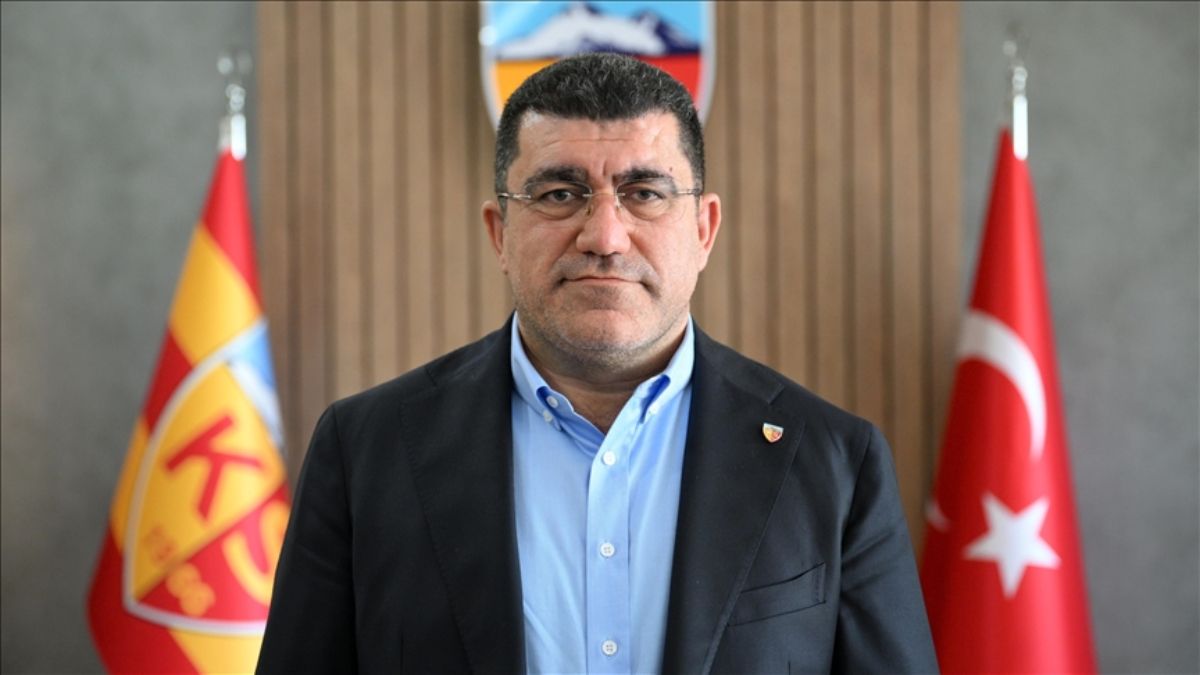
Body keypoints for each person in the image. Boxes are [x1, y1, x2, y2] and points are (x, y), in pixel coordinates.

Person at [258, 53, 936, 674]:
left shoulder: (833, 462)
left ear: (703, 229)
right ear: (499, 233)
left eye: (645, 193)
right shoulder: (366, 453)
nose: (605, 237)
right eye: (559, 194)